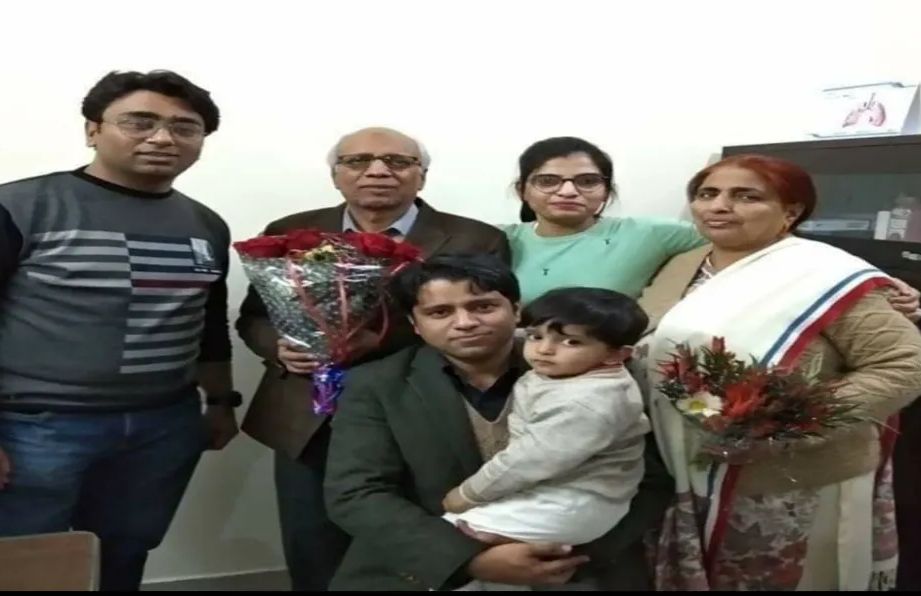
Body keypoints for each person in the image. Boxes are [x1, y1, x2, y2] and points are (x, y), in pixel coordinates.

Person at [0, 69, 241, 591]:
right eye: (140, 122)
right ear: (92, 129)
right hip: (34, 427)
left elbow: (207, 322)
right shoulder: (8, 208)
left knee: (123, 557)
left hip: (163, 426)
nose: (162, 138)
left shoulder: (206, 224)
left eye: (184, 128)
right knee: (8, 570)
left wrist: (220, 403)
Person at [632, 154, 921, 590]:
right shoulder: (682, 264)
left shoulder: (824, 274)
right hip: (677, 467)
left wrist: (784, 423)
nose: (719, 206)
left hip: (784, 480)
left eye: (746, 196)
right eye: (707, 194)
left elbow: (906, 367)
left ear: (790, 212)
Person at [235, 127, 511, 591]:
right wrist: (278, 347)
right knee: (312, 541)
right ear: (336, 176)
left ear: (421, 177)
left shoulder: (474, 238)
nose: (378, 171)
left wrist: (376, 341)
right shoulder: (290, 230)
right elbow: (254, 317)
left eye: (397, 162)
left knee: (411, 541)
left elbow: (483, 322)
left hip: (416, 409)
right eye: (358, 161)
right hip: (306, 416)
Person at [324, 253, 670, 591]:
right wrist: (468, 560)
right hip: (431, 563)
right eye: (440, 312)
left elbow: (650, 480)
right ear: (415, 323)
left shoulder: (596, 369)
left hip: (571, 561)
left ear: (516, 310)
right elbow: (357, 493)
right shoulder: (378, 384)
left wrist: (567, 552)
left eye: (483, 306)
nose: (465, 322)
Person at [502, 136, 921, 319]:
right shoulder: (498, 240)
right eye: (548, 181)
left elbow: (765, 240)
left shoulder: (649, 233)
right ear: (524, 189)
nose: (569, 191)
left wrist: (870, 282)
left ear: (606, 190)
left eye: (588, 180)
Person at [439, 287, 653, 591]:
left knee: (450, 539)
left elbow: (529, 460)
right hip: (564, 494)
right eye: (536, 336)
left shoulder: (588, 403)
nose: (544, 350)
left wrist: (468, 493)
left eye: (571, 342)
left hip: (573, 501)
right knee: (496, 570)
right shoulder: (572, 373)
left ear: (617, 354)